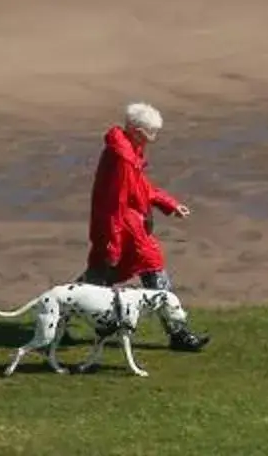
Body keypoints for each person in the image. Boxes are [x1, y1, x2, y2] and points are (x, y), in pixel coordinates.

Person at [83, 100, 207, 350]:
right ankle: (178, 333)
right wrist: (114, 244)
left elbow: (140, 188)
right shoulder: (123, 158)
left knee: (98, 279)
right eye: (152, 133)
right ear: (138, 132)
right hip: (125, 228)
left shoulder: (128, 152)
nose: (154, 138)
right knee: (152, 271)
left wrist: (168, 203)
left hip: (124, 226)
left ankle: (62, 313)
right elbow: (115, 204)